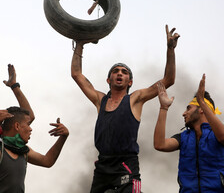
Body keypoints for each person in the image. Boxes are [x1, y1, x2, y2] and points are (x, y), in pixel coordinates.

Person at [71, 25, 180, 193]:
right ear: (109, 79)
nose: (119, 73)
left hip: (126, 165)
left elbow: (168, 79)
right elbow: (76, 74)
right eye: (115, 71)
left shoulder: (135, 99)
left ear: (130, 81)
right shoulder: (100, 100)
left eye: (124, 72)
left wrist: (170, 49)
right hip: (103, 166)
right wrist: (79, 45)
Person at [0, 64, 69, 193]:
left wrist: (63, 137)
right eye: (28, 125)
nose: (31, 129)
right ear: (16, 126)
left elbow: (47, 161)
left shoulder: (23, 151)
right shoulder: (2, 150)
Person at [154, 74, 223, 193]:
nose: (184, 113)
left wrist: (201, 101)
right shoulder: (184, 137)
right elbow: (160, 144)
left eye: (188, 108)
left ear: (201, 109)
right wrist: (163, 108)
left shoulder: (216, 133)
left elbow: (222, 137)